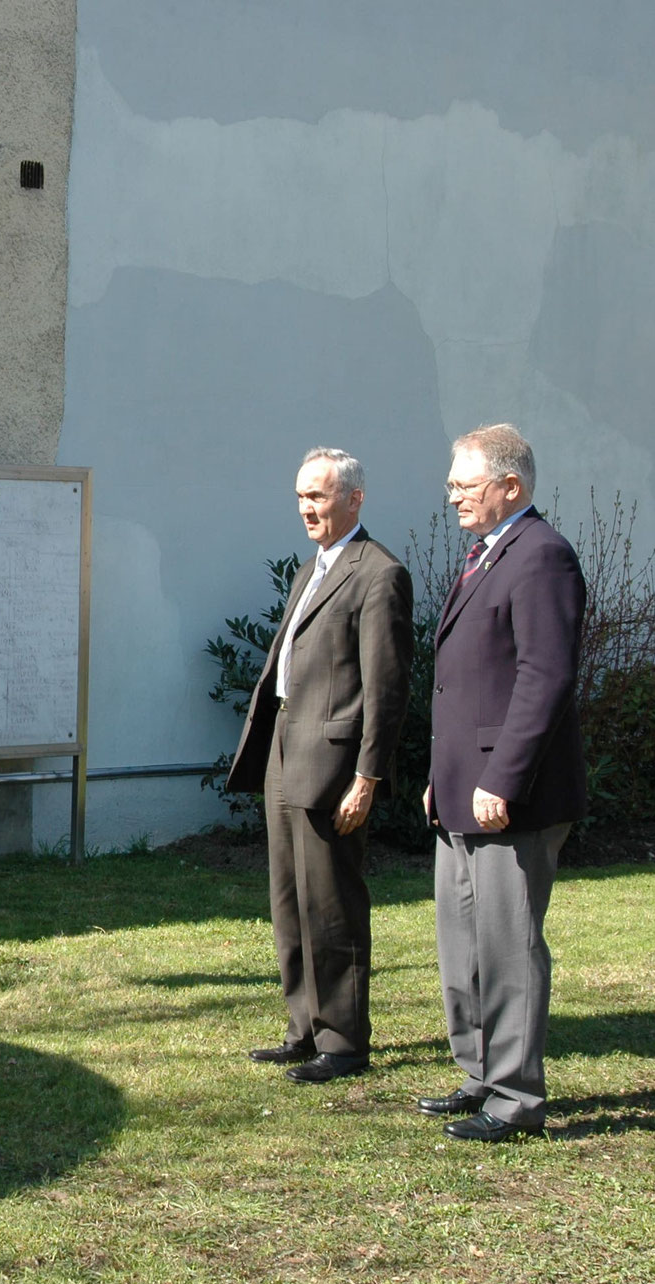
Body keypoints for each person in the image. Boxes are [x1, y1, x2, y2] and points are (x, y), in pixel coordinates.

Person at [227, 449, 413, 1084]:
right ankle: (302, 1027)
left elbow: (385, 689)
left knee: (332, 903)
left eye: (320, 496)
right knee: (289, 900)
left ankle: (343, 1039)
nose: (308, 507)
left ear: (355, 499)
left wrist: (368, 776)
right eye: (302, 497)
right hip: (286, 751)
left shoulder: (377, 573)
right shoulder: (316, 565)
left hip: (333, 763)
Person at [421, 424, 585, 1143]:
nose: (453, 494)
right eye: (454, 482)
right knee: (464, 943)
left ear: (510, 486)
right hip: (462, 787)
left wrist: (502, 777)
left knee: (509, 944)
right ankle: (480, 1070)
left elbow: (543, 677)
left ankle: (516, 1098)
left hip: (508, 796)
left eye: (466, 482)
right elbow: (465, 684)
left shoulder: (541, 556)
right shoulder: (487, 554)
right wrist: (441, 776)